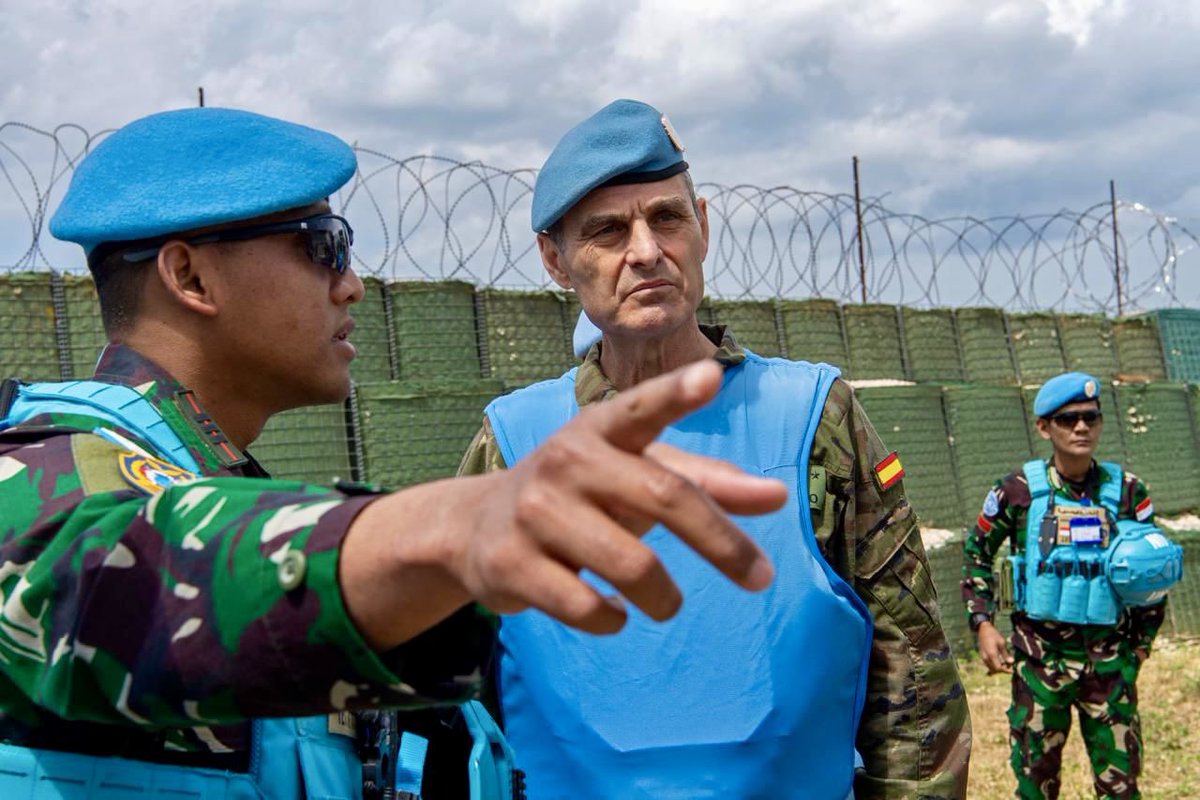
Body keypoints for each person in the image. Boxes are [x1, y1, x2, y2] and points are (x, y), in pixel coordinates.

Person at [0, 107, 794, 799]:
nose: (351, 284)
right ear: (190, 276)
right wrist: (443, 528)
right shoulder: (44, 470)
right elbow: (112, 577)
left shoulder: (201, 473)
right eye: (323, 246)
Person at [458, 98, 971, 800]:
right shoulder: (513, 443)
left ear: (702, 226)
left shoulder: (817, 418)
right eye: (607, 231)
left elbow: (910, 672)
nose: (645, 250)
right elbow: (462, 683)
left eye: (666, 217)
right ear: (556, 260)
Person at [962, 371, 1182, 799]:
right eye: (1068, 419)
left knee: (1120, 786)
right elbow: (977, 554)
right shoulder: (1018, 491)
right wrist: (983, 624)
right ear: (1044, 427)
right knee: (1035, 784)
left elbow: (1155, 572)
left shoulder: (1127, 492)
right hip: (1041, 663)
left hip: (1110, 660)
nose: (1082, 427)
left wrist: (1141, 646)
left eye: (1091, 417)